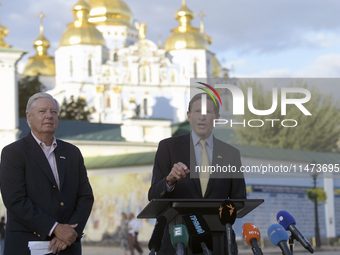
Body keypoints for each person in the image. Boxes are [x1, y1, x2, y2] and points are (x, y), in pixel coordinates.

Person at [148, 93, 246, 254]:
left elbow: (240, 199)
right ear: (188, 116)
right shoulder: (168, 148)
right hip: (177, 239)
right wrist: (170, 180)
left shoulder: (231, 154)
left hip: (219, 241)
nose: (202, 117)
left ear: (216, 118)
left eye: (207, 112)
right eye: (197, 111)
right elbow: (153, 195)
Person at [0, 92, 94, 255]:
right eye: (42, 111)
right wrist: (55, 228)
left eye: (53, 112)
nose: (49, 116)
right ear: (29, 117)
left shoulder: (72, 153)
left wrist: (68, 234)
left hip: (67, 247)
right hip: (27, 246)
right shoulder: (13, 152)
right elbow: (15, 200)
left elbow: (85, 197)